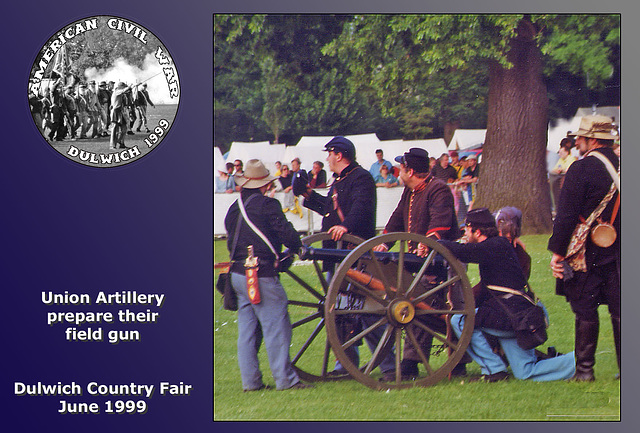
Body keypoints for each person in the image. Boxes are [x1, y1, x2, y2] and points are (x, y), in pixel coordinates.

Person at [296, 136, 394, 376]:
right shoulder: (340, 179)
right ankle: (345, 364)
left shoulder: (361, 178)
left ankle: (390, 366)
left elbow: (361, 209)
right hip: (337, 253)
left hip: (354, 254)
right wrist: (308, 195)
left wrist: (346, 227)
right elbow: (330, 210)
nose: (327, 159)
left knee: (367, 311)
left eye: (329, 154)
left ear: (339, 155)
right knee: (337, 312)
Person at [441, 208, 576, 382]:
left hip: (513, 316)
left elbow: (465, 252)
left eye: (467, 229)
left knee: (458, 321)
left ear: (477, 231)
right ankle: (577, 361)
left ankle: (494, 370)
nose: (465, 234)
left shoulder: (494, 245)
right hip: (515, 316)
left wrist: (438, 243)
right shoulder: (497, 245)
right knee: (525, 372)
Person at [373, 147, 466, 380]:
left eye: (401, 168)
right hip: (418, 262)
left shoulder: (439, 189)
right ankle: (411, 363)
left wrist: (429, 241)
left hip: (442, 263)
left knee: (446, 310)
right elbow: (396, 219)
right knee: (416, 306)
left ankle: (457, 362)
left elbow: (441, 222)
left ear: (410, 170)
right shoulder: (409, 191)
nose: (398, 172)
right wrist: (385, 242)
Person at [224, 159, 312, 391]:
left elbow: (231, 241)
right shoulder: (268, 205)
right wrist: (296, 246)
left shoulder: (235, 208)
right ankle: (286, 380)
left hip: (237, 274)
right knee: (276, 326)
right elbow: (285, 232)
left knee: (247, 330)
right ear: (263, 184)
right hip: (260, 275)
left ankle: (251, 382)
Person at [548, 115, 620, 381]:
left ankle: (585, 372)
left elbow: (566, 216)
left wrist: (558, 253)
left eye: (580, 137)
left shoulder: (580, 169)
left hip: (586, 255)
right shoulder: (623, 165)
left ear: (591, 140)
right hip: (620, 254)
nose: (576, 141)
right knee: (621, 311)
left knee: (585, 311)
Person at [549, 138, 577, 214]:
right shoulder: (561, 160)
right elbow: (553, 170)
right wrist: (560, 170)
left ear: (566, 152)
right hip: (559, 181)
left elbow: (568, 170)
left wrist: (561, 170)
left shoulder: (571, 158)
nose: (559, 155)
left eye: (561, 153)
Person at [109, 82, 133, 149]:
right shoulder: (117, 91)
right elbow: (123, 90)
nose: (125, 88)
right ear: (120, 87)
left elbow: (125, 93)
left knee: (124, 128)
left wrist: (130, 89)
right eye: (124, 87)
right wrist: (129, 86)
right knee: (114, 129)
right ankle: (112, 145)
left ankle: (121, 143)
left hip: (121, 111)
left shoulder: (122, 93)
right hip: (115, 111)